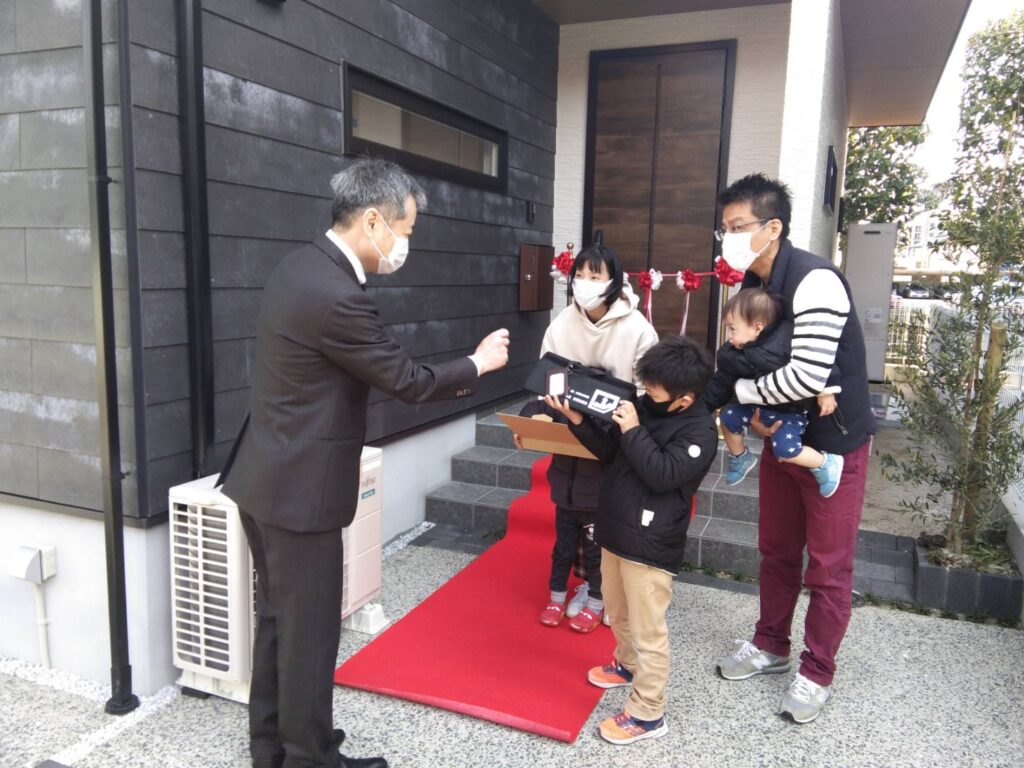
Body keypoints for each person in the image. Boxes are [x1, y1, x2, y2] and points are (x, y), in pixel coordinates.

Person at [220, 158, 510, 768]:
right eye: (405, 231)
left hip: (265, 476)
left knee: (279, 621)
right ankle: (310, 758)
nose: (405, 245)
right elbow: (406, 380)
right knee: (309, 633)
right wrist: (477, 365)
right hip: (299, 494)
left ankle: (271, 748)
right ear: (373, 221)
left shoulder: (299, 266)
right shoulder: (337, 296)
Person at [711, 174, 876, 724]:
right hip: (780, 438)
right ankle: (770, 645)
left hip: (833, 445)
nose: (729, 238)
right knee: (776, 550)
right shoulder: (753, 285)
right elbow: (743, 354)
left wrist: (738, 394)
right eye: (725, 228)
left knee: (828, 567)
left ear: (773, 227)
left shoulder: (815, 280)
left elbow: (806, 376)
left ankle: (817, 670)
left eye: (739, 227)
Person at [546, 335, 718, 745]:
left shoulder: (699, 432)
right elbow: (611, 450)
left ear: (684, 398)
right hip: (615, 527)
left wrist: (634, 429)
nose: (647, 395)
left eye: (655, 391)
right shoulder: (645, 406)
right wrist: (578, 421)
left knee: (647, 630)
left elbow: (662, 475)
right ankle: (625, 665)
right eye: (646, 386)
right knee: (618, 612)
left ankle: (648, 713)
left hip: (651, 541)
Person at [515, 243, 658, 633]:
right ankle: (582, 590)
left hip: (613, 434)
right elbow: (545, 382)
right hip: (571, 430)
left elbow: (646, 392)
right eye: (579, 275)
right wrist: (533, 427)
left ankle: (607, 594)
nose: (585, 283)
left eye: (595, 276)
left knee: (607, 524)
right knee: (571, 522)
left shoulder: (637, 328)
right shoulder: (562, 323)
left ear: (613, 282)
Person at [704, 287, 844, 496]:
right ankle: (741, 456)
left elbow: (821, 364)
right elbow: (720, 382)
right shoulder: (734, 352)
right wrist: (702, 407)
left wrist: (826, 392)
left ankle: (825, 463)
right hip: (757, 408)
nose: (729, 336)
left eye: (733, 329)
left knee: (786, 450)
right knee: (727, 417)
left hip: (789, 412)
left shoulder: (788, 340)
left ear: (757, 327)